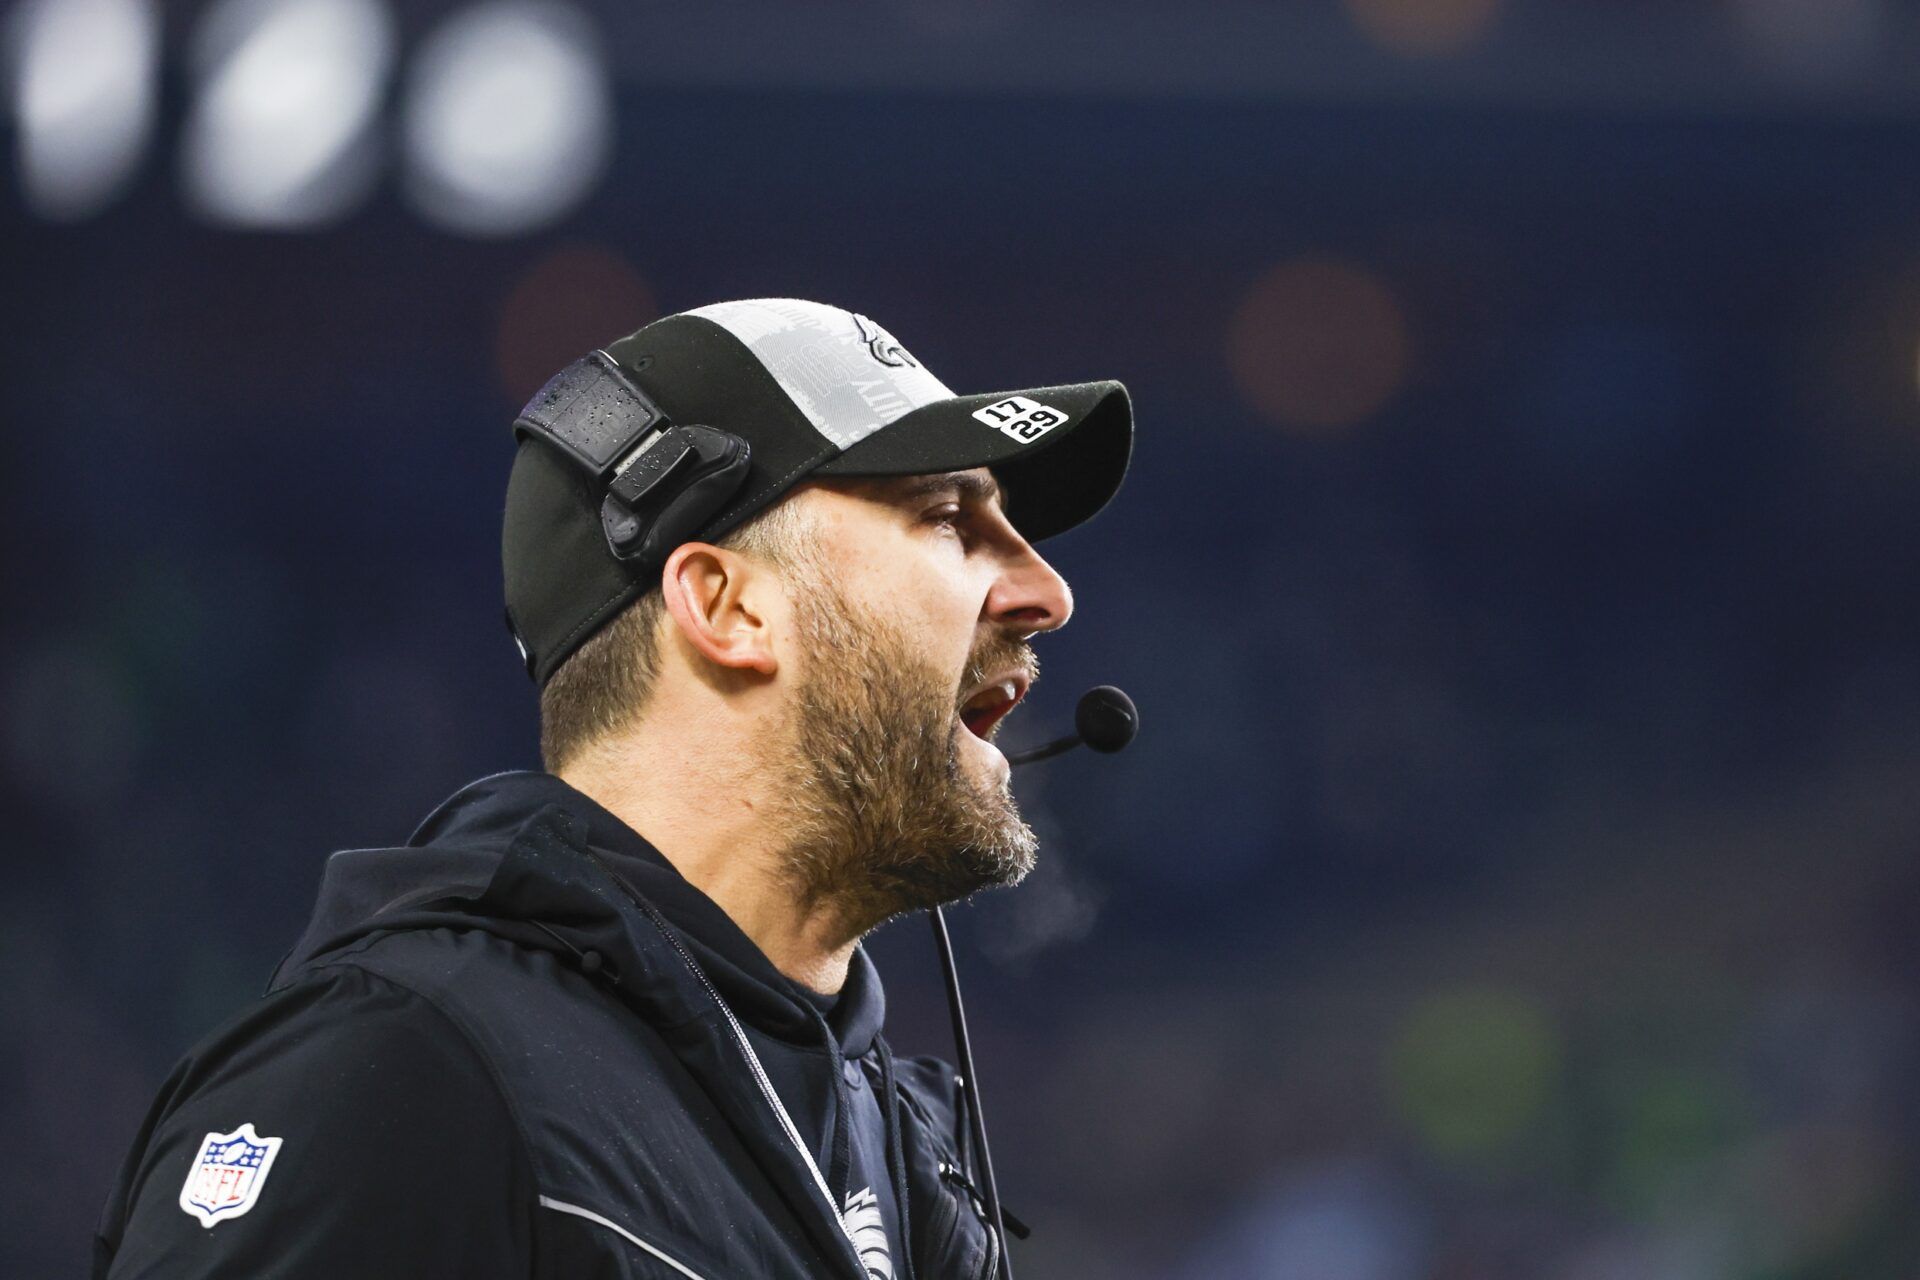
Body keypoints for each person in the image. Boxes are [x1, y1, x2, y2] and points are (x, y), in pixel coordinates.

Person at [92, 298, 1133, 1279]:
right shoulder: (400, 1079)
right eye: (952, 519)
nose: (1048, 590)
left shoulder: (890, 1147)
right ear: (726, 605)